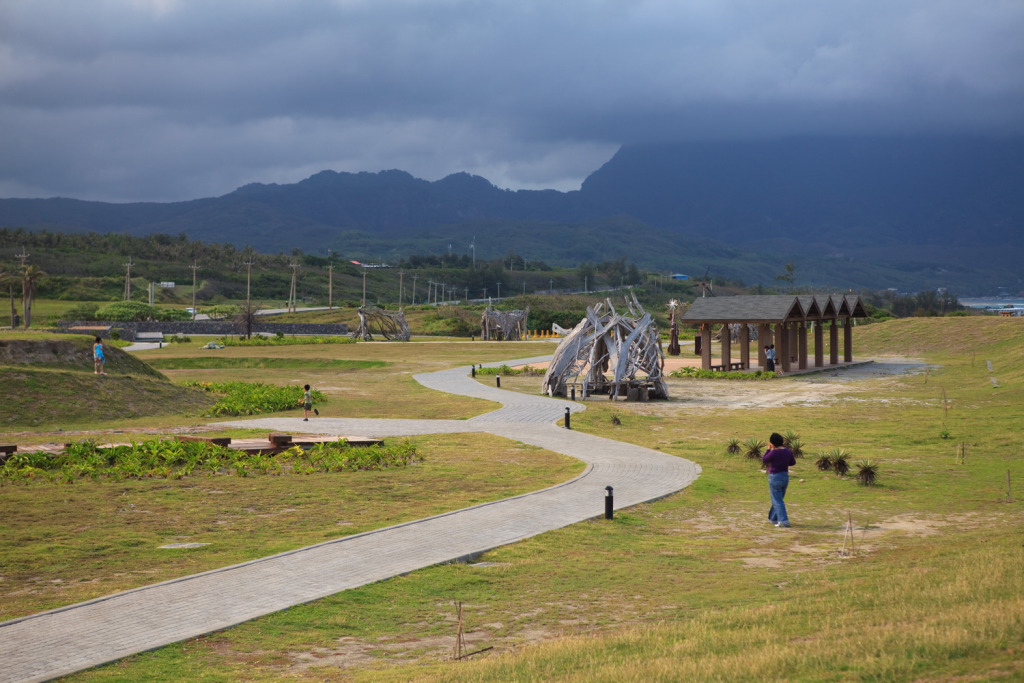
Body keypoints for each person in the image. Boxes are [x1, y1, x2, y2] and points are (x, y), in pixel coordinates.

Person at [762, 432, 796, 527]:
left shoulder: (773, 452)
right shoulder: (787, 451)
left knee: (777, 500)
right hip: (785, 477)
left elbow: (764, 459)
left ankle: (783, 521)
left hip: (775, 477)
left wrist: (768, 450)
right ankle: (773, 518)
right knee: (778, 499)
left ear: (772, 443)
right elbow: (792, 462)